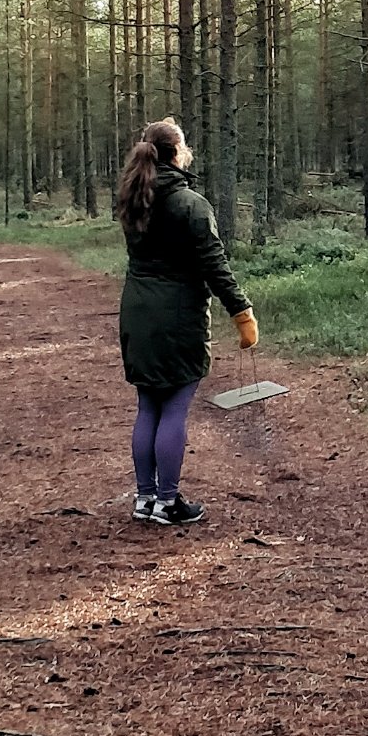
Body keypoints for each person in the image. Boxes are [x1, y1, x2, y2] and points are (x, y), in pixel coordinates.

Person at [114, 119, 256, 527]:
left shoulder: (133, 199)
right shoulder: (190, 204)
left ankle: (145, 498)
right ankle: (168, 502)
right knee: (174, 407)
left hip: (137, 313)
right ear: (177, 153)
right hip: (177, 319)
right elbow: (215, 266)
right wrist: (242, 313)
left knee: (148, 405)